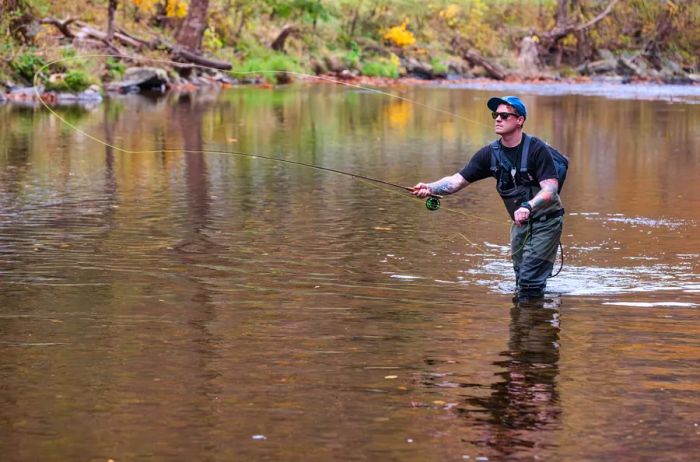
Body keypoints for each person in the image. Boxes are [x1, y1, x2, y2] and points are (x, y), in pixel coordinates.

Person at [412, 96, 564, 301]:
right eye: (495, 115)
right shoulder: (489, 154)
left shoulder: (537, 149)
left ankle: (540, 326)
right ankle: (525, 327)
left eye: (504, 115)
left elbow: (551, 189)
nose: (497, 119)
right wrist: (429, 188)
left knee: (530, 283)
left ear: (519, 120)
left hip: (547, 223)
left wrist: (528, 206)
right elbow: (457, 181)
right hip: (520, 225)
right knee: (522, 280)